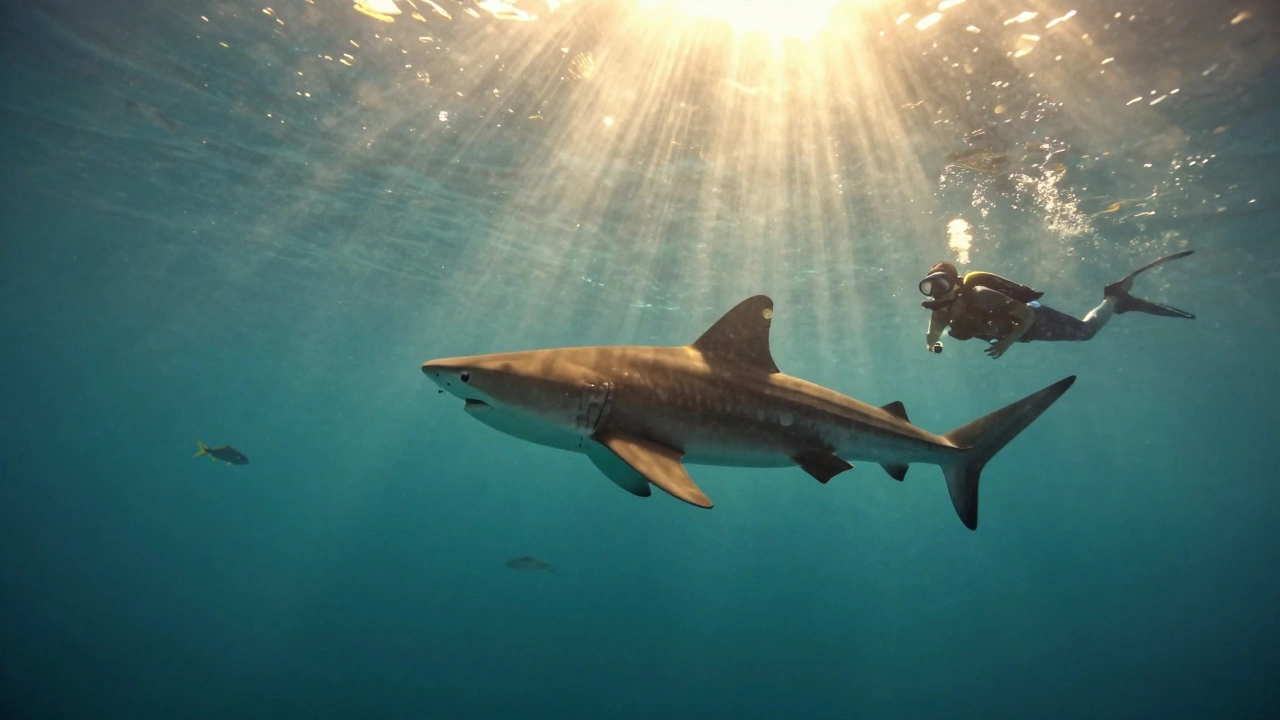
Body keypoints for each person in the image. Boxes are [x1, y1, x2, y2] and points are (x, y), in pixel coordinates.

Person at [920, 251, 1195, 359]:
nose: (936, 293)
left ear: (955, 283)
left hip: (1035, 322)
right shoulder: (940, 310)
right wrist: (934, 345)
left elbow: (1026, 315)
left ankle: (1114, 297)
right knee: (1085, 335)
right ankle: (1118, 299)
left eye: (941, 285)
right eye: (930, 287)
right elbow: (932, 335)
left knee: (1087, 332)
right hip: (1020, 331)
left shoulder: (980, 294)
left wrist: (1006, 343)